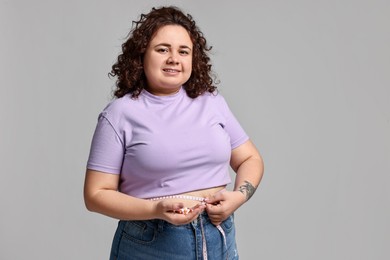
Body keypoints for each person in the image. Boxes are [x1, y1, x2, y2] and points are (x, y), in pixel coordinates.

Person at [84, 6, 264, 260]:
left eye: (183, 51)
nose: (173, 58)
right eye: (162, 49)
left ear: (193, 59)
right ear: (142, 55)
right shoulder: (119, 114)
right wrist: (155, 208)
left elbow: (250, 159)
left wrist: (239, 196)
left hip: (218, 237)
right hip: (152, 242)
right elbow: (95, 195)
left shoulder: (212, 102)